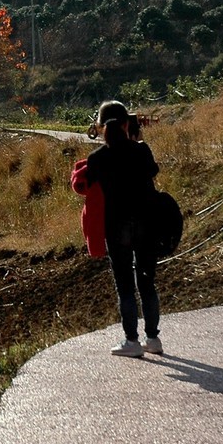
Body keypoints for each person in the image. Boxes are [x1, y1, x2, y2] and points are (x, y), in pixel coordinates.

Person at [86, 100, 162, 358]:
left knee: (125, 286)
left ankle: (132, 340)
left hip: (116, 226)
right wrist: (135, 139)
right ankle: (153, 338)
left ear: (100, 126)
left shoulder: (97, 159)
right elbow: (153, 171)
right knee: (147, 282)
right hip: (147, 222)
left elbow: (84, 184)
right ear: (127, 123)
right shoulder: (141, 150)